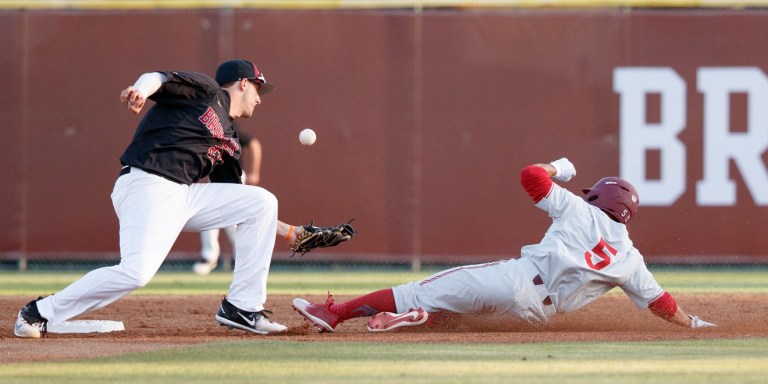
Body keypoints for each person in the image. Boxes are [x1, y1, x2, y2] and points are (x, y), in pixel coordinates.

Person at [14, 59, 306, 338]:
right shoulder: (208, 91)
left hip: (184, 195)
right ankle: (38, 311)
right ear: (243, 83)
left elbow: (238, 203)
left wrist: (290, 232)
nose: (260, 98)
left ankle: (243, 307)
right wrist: (140, 90)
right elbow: (159, 78)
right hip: (148, 181)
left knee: (260, 201)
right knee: (136, 273)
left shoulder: (230, 139)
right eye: (258, 89)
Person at [292, 158, 717, 332]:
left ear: (600, 200)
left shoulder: (578, 210)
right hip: (536, 316)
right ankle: (418, 318)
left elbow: (531, 176)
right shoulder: (629, 257)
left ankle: (334, 313)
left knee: (419, 289)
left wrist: (560, 167)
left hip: (517, 279)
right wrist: (694, 324)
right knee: (460, 322)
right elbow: (661, 302)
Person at [193, 130, 262, 276]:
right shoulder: (209, 125)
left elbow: (254, 144)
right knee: (208, 215)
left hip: (234, 175)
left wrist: (254, 171)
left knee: (235, 220)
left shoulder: (229, 127)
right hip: (215, 176)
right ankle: (209, 257)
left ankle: (243, 259)